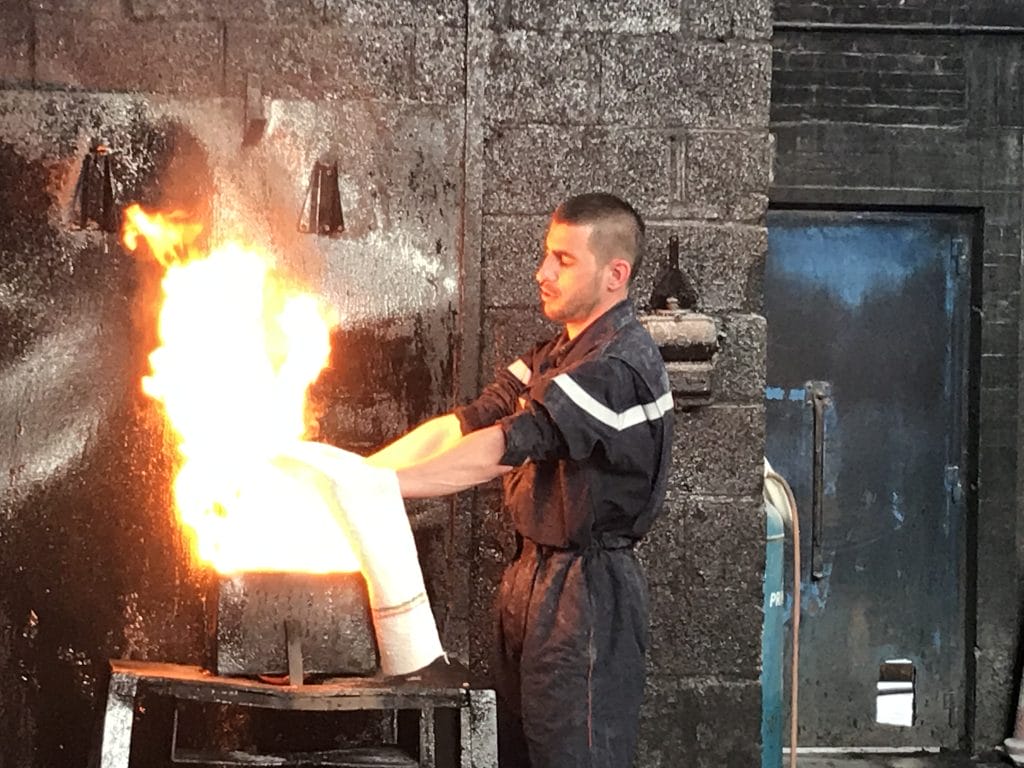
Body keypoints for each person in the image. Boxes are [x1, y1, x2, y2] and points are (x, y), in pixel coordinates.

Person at [367, 192, 674, 768]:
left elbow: (506, 446)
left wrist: (384, 491)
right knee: (510, 752)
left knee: (572, 757)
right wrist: (361, 474)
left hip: (587, 592)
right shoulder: (558, 351)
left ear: (616, 275)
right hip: (531, 579)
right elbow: (471, 422)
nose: (542, 273)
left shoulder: (616, 366)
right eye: (545, 255)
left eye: (563, 259)